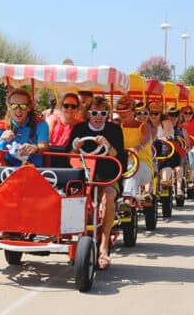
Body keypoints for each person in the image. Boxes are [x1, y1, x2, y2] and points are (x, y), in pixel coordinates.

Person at [0, 88, 50, 233]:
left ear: (29, 107)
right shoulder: (1, 125)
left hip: (32, 169)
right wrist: (1, 139)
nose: (18, 110)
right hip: (7, 168)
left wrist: (34, 148)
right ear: (8, 106)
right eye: (14, 106)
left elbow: (44, 144)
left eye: (23, 106)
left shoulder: (40, 124)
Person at [66, 96, 124, 269]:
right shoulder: (79, 129)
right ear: (88, 114)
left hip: (107, 176)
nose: (99, 116)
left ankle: (104, 245)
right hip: (83, 176)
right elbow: (68, 154)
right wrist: (77, 147)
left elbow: (118, 155)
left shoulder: (114, 130)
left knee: (108, 196)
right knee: (70, 196)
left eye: (103, 113)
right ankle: (69, 236)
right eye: (94, 113)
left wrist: (107, 145)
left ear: (107, 114)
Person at [116, 96, 153, 204]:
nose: (122, 113)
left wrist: (137, 148)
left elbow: (145, 138)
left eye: (125, 109)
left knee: (133, 167)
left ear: (133, 111)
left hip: (142, 165)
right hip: (121, 164)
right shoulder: (117, 127)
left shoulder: (143, 127)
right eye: (119, 109)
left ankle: (127, 201)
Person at [167, 107, 191, 197]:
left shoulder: (182, 130)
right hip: (165, 155)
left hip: (178, 155)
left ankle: (179, 189)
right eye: (170, 115)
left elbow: (188, 146)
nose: (172, 118)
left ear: (178, 117)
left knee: (178, 169)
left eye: (175, 115)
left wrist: (184, 151)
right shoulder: (162, 129)